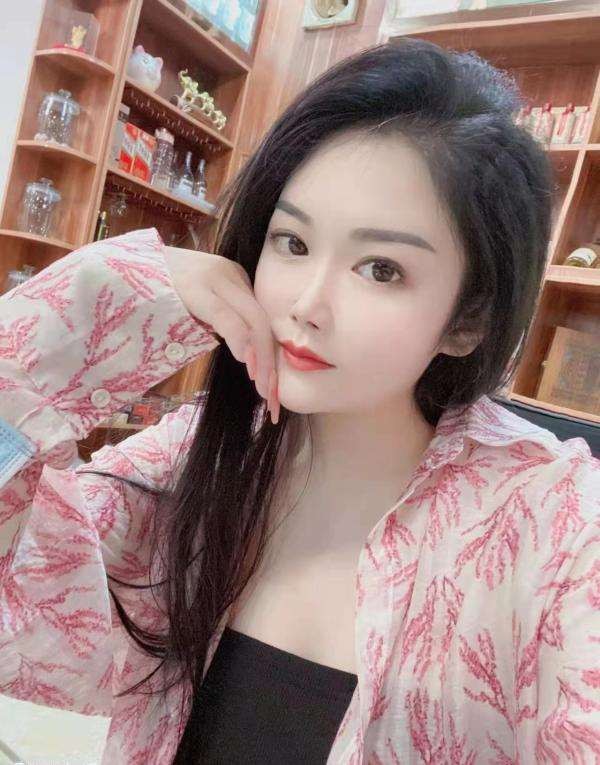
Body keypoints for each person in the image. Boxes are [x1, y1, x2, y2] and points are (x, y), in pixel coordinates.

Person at [1, 38, 599, 764]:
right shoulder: (191, 460)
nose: (307, 305)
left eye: (381, 269)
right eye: (291, 242)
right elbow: (23, 620)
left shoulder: (556, 529)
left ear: (468, 319)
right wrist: (89, 299)